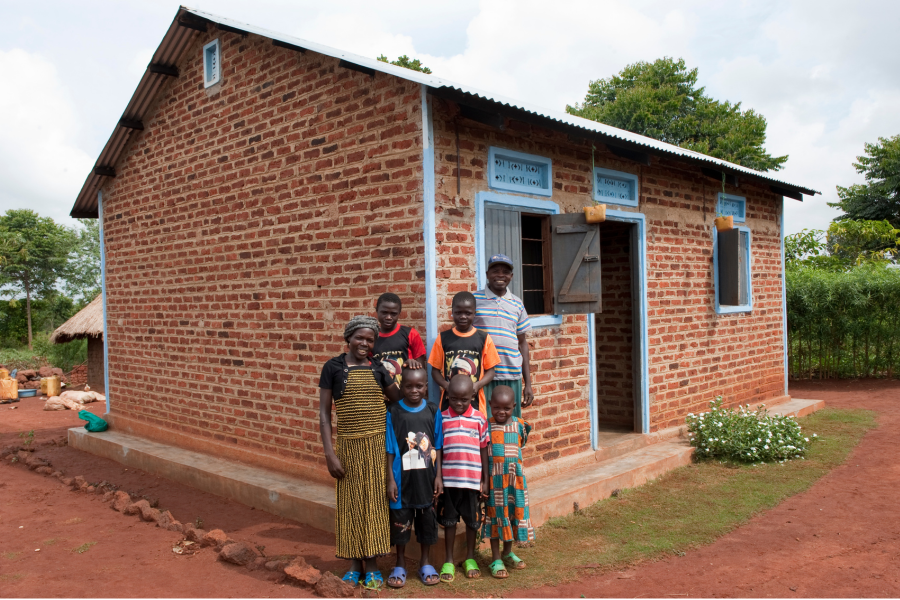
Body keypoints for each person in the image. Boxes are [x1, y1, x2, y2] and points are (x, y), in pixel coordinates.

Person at [318, 315, 403, 590]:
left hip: (377, 446)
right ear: (348, 338)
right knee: (351, 503)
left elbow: (398, 402)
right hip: (348, 446)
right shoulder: (332, 368)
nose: (364, 343)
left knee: (375, 505)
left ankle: (374, 564)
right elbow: (323, 415)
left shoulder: (379, 369)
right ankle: (355, 564)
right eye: (359, 338)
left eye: (369, 339)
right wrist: (330, 454)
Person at [385, 368, 444, 588]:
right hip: (402, 482)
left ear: (426, 387)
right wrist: (390, 479)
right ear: (401, 387)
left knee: (427, 522)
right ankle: (399, 563)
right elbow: (390, 449)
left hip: (427, 480)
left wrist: (439, 477)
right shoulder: (393, 412)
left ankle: (425, 562)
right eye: (408, 386)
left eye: (419, 386)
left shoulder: (432, 410)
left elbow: (438, 445)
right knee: (401, 522)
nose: (414, 390)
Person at [436, 374, 489, 581]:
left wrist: (485, 479)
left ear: (473, 396)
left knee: (472, 522)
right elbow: (438, 449)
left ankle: (469, 558)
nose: (459, 403)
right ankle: (448, 560)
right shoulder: (441, 418)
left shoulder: (479, 418)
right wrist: (438, 476)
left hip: (472, 482)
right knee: (449, 522)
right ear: (447, 395)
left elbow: (484, 449)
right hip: (449, 482)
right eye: (454, 398)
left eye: (464, 399)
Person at [482, 385, 535, 579]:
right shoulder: (486, 426)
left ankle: (507, 552)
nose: (501, 412)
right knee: (497, 517)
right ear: (490, 405)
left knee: (513, 514)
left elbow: (521, 443)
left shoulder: (520, 425)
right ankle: (496, 558)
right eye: (496, 408)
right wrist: (484, 482)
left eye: (506, 408)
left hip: (515, 482)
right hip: (495, 482)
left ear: (514, 406)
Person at [474, 253, 534, 419]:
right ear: (487, 274)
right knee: (484, 422)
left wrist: (527, 383)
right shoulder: (475, 300)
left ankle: (510, 447)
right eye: (495, 271)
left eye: (505, 272)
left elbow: (522, 344)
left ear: (511, 276)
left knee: (510, 424)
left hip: (511, 373)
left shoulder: (517, 303)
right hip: (483, 375)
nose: (500, 275)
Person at [427, 291, 501, 415]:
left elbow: (491, 371)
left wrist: (477, 385)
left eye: (467, 313)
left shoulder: (483, 338)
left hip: (475, 402)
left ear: (474, 314)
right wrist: (446, 386)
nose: (463, 317)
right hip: (448, 403)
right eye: (458, 313)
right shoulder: (443, 338)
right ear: (452, 313)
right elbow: (435, 371)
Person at [372, 292, 427, 387]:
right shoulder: (372, 337)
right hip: (379, 392)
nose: (388, 317)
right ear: (377, 310)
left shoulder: (410, 334)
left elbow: (421, 367)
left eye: (393, 314)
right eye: (384, 312)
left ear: (399, 313)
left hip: (405, 393)